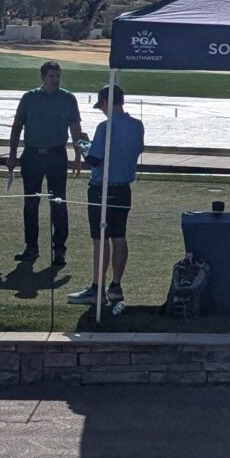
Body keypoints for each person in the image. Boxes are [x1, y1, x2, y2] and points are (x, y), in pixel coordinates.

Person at [70, 85, 143, 316]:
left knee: (100, 239)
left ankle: (96, 287)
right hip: (123, 188)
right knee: (119, 236)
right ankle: (115, 286)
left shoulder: (105, 127)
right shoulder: (137, 125)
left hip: (102, 187)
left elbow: (94, 159)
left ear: (104, 102)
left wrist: (82, 145)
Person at [6, 61, 85, 268]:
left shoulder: (68, 99)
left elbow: (76, 129)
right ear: (43, 77)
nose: (55, 79)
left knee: (58, 202)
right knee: (31, 203)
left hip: (56, 155)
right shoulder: (29, 98)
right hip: (32, 155)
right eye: (51, 76)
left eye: (58, 76)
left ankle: (59, 248)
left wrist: (78, 155)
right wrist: (12, 155)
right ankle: (31, 247)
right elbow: (16, 128)